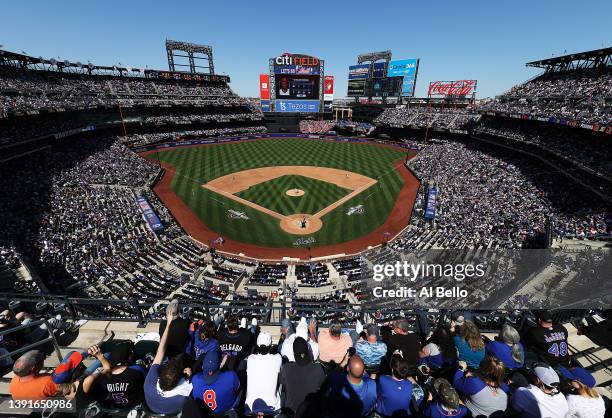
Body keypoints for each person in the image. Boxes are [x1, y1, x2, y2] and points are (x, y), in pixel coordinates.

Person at [144, 310, 193, 414]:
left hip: (152, 409)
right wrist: (189, 377)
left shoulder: (148, 384)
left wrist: (168, 323)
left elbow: (161, 349)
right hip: (173, 412)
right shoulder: (184, 397)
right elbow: (161, 349)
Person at [279, 336, 326, 416]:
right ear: (308, 351)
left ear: (293, 353)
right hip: (311, 413)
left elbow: (282, 389)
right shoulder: (318, 368)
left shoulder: (286, 368)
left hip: (290, 412)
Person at [55, 345, 111, 409]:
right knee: (107, 355)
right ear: (74, 375)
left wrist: (87, 352)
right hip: (103, 396)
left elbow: (72, 362)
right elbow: (108, 370)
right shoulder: (88, 381)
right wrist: (99, 356)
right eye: (78, 365)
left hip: (82, 384)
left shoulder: (59, 385)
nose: (80, 363)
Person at [97, 340, 146, 409]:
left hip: (117, 408)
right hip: (136, 406)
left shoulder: (105, 378)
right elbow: (146, 381)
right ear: (130, 356)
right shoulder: (136, 369)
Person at [191, 350, 240, 416]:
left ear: (203, 366)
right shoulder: (231, 376)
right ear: (220, 364)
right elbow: (237, 388)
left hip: (204, 413)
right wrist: (222, 366)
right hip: (226, 411)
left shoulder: (195, 379)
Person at [244, 331, 282, 414]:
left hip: (250, 406)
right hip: (272, 406)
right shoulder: (277, 358)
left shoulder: (250, 359)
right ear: (270, 345)